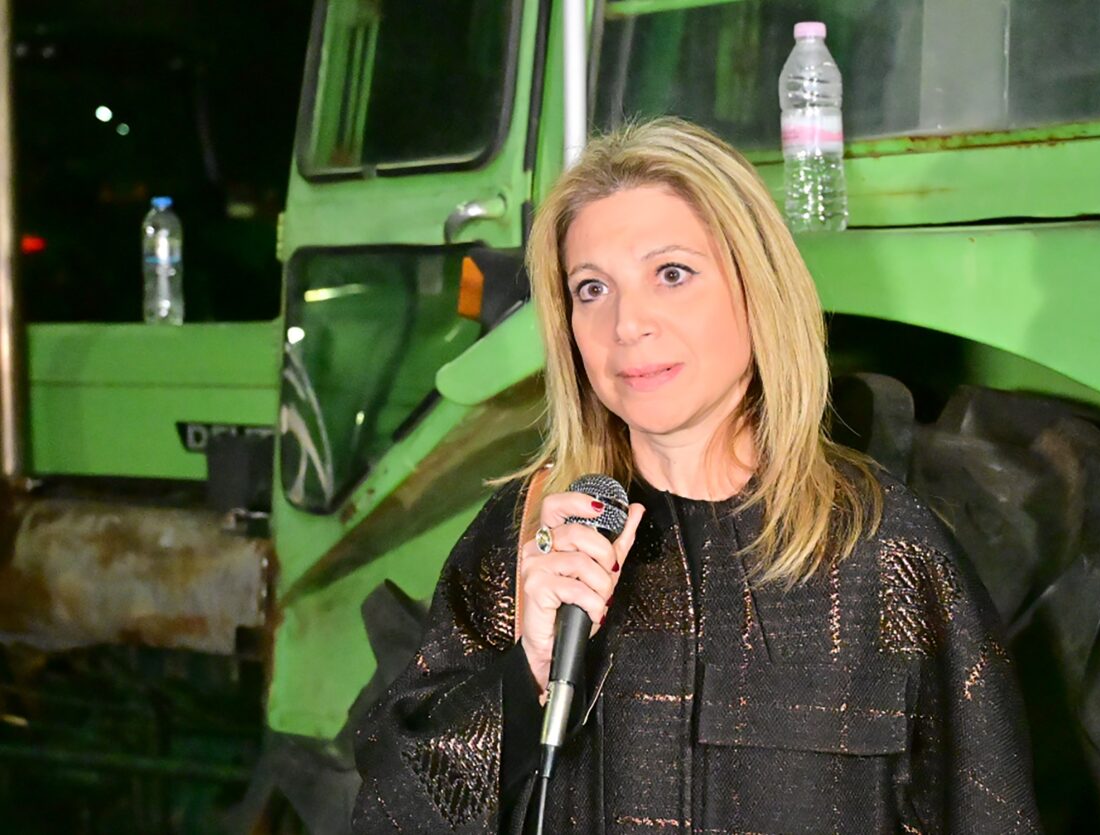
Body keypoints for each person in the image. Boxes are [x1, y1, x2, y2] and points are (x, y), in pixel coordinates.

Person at [351, 117, 1042, 834]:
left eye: (672, 274)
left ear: (757, 288)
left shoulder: (885, 551)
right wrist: (526, 671)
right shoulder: (532, 539)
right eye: (592, 288)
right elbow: (390, 816)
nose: (627, 323)